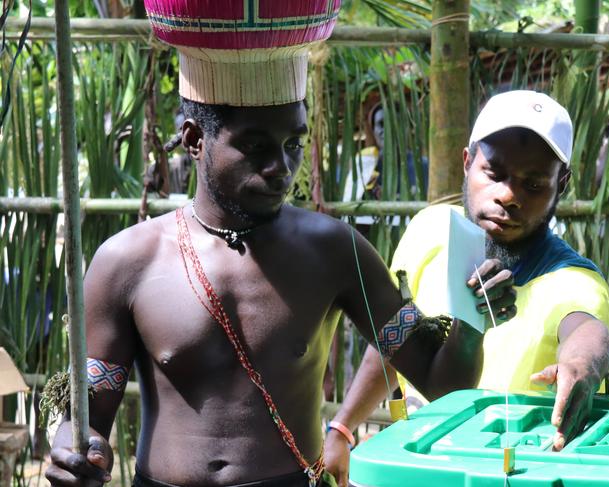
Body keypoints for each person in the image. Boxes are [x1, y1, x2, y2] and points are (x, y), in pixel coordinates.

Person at [44, 3, 515, 487]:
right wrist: (72, 451)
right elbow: (86, 420)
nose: (281, 169)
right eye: (255, 147)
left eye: (293, 144)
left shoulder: (333, 251)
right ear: (193, 139)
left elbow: (442, 383)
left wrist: (473, 320)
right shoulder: (127, 262)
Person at [324, 90, 609, 486]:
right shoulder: (429, 230)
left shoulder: (573, 282)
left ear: (561, 184)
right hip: (416, 469)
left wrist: (581, 367)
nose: (508, 196)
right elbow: (394, 338)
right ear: (467, 163)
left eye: (533, 185)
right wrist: (343, 429)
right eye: (494, 174)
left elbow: (586, 332)